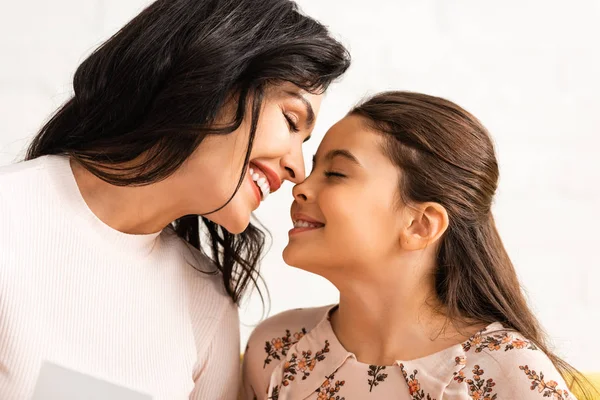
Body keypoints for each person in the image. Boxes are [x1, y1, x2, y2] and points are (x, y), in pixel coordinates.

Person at [0, 0, 350, 398]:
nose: (297, 169)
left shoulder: (207, 301)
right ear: (214, 74)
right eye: (290, 121)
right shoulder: (10, 217)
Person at [241, 91, 594, 400]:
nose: (299, 186)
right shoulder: (277, 348)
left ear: (421, 225)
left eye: (335, 173)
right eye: (314, 168)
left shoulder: (507, 373)